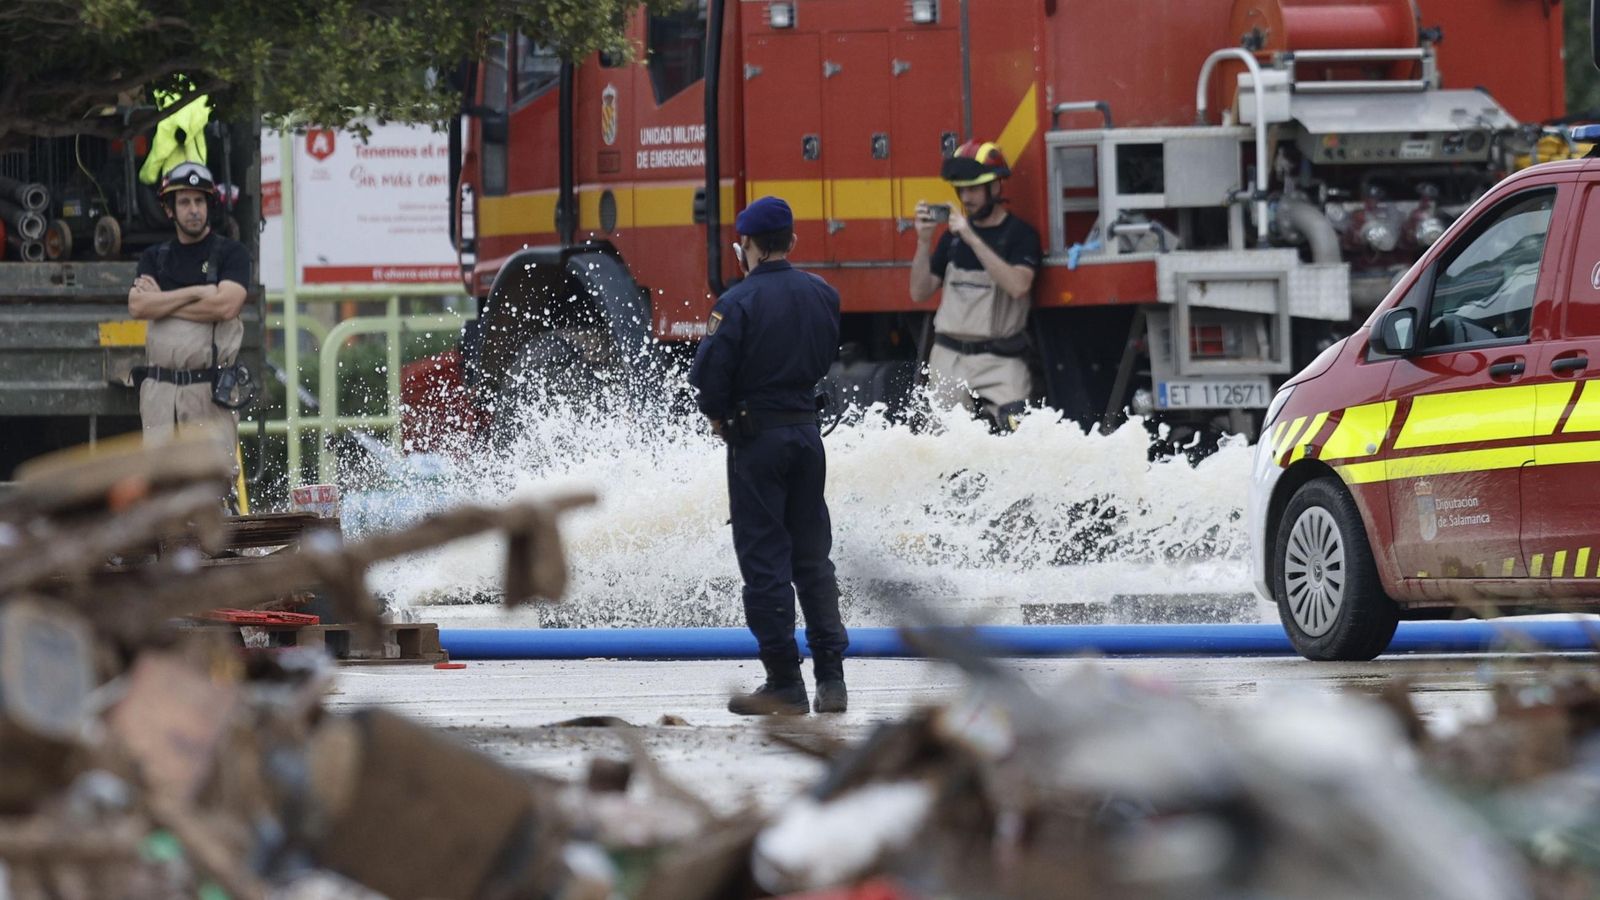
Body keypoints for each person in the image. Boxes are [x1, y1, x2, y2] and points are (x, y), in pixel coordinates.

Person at [689, 196, 849, 716]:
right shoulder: (823, 294)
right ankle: (832, 679)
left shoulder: (736, 303)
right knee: (813, 558)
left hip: (756, 442)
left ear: (747, 247)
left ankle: (784, 682)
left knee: (765, 562)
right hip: (807, 432)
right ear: (793, 242)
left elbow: (710, 378)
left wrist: (719, 415)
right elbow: (826, 356)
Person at [909, 140, 1042, 432]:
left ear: (995, 187)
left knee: (1019, 436)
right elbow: (919, 292)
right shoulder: (950, 239)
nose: (966, 198)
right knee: (945, 448)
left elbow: (1019, 286)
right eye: (961, 190)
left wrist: (972, 238)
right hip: (948, 357)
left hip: (1001, 360)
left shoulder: (1019, 235)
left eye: (973, 189)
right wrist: (923, 241)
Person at [127, 161, 251, 450]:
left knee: (211, 486)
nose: (193, 209)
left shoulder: (232, 253)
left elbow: (225, 307)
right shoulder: (154, 257)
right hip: (159, 395)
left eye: (199, 201)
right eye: (184, 202)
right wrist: (199, 292)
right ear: (169, 209)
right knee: (160, 487)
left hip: (207, 391)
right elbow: (138, 306)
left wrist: (163, 302)